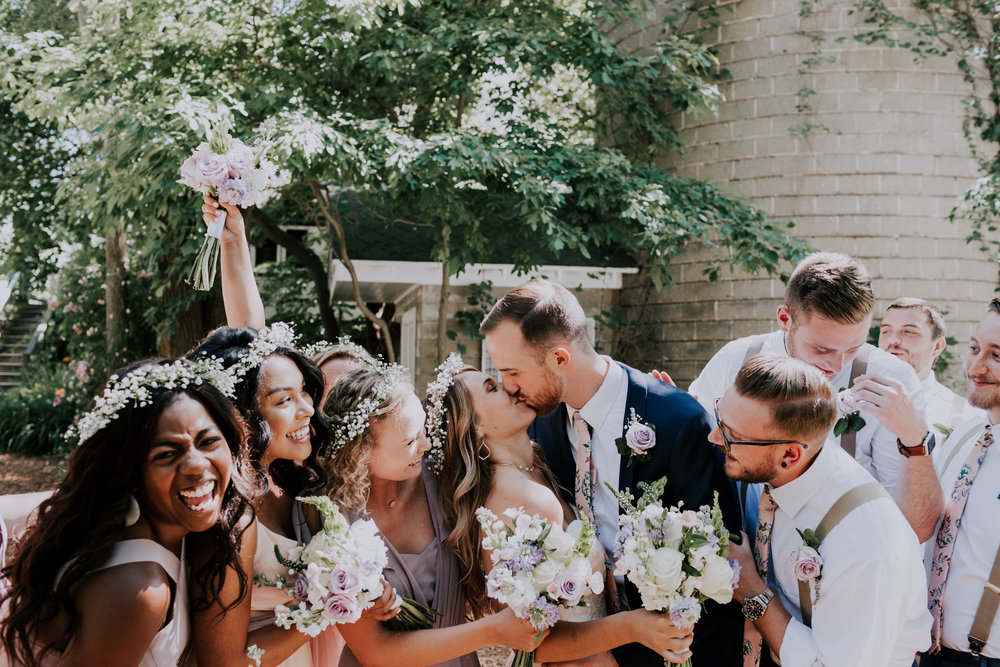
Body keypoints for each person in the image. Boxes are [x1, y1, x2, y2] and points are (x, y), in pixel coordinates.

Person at [480, 279, 743, 666]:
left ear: (559, 359)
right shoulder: (538, 426)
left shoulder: (680, 422)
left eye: (513, 371)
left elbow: (720, 567)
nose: (508, 387)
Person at [427, 353, 697, 664]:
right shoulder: (519, 500)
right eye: (491, 388)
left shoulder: (537, 466)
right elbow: (535, 642)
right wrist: (633, 627)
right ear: (474, 427)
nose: (509, 387)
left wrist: (668, 414)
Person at [0, 358, 253, 667]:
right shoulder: (138, 589)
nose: (197, 465)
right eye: (167, 454)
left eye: (209, 441)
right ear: (129, 473)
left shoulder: (136, 529)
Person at [688, 252, 943, 542]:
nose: (836, 366)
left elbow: (913, 528)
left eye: (852, 349)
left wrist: (914, 438)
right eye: (822, 349)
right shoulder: (735, 360)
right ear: (785, 318)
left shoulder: (892, 380)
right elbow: (697, 456)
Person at [322, 364, 547, 667]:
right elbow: (376, 652)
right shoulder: (331, 520)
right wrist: (493, 631)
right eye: (411, 441)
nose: (427, 446)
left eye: (424, 431)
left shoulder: (444, 479)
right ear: (361, 452)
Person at [721, 354, 931, 666]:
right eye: (719, 421)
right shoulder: (790, 463)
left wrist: (753, 592)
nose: (715, 438)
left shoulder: (866, 548)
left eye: (731, 436)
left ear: (789, 454)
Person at [186, 325, 351, 667]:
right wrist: (335, 603)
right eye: (284, 400)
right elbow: (223, 662)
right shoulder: (232, 515)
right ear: (242, 416)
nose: (307, 408)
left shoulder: (292, 481)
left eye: (304, 391)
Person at [917, 298, 1000, 665]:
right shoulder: (967, 433)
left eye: (996, 355)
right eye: (973, 348)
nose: (975, 366)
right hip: (931, 651)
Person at [878, 297, 982, 439]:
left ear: (937, 346)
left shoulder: (965, 414)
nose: (893, 340)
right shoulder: (851, 399)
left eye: (909, 331)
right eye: (886, 331)